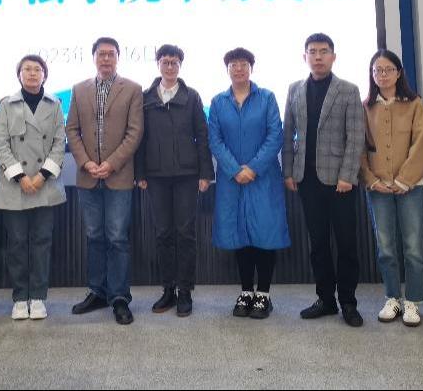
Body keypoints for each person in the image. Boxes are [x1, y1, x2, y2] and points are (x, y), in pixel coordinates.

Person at [282, 33, 366, 327]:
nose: (318, 57)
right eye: (312, 51)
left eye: (323, 51)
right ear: (304, 56)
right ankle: (326, 299)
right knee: (317, 243)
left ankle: (348, 302)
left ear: (333, 56)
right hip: (307, 179)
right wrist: (288, 171)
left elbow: (355, 137)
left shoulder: (348, 90)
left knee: (346, 244)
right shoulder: (295, 89)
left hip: (340, 182)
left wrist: (347, 176)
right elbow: (288, 133)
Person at [66, 37, 144, 325]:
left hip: (118, 175)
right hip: (88, 176)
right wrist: (86, 162)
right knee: (94, 236)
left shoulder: (132, 89)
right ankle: (97, 291)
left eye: (111, 54)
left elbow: (135, 132)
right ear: (94, 57)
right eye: (101, 54)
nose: (106, 59)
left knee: (117, 238)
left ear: (118, 57)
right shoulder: (79, 89)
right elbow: (71, 129)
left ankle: (119, 296)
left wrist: (111, 163)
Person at [208, 47, 290, 320]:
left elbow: (275, 135)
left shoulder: (267, 98)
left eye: (244, 64)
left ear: (251, 68)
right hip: (232, 181)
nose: (239, 68)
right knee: (239, 234)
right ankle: (246, 291)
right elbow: (215, 140)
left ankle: (263, 293)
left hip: (263, 178)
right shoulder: (218, 102)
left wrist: (253, 168)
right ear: (227, 69)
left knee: (265, 234)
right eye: (234, 64)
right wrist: (235, 170)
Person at [135, 44, 213, 317]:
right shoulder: (145, 97)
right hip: (156, 176)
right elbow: (139, 137)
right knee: (163, 233)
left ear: (180, 66)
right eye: (165, 62)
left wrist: (205, 173)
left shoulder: (192, 96)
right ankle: (168, 289)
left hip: (186, 175)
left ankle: (185, 291)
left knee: (185, 233)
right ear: (158, 64)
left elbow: (202, 135)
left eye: (174, 63)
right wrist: (139, 173)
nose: (170, 67)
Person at [0, 54, 67, 321]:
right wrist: (20, 177)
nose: (33, 73)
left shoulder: (55, 104)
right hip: (15, 186)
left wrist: (42, 176)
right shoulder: (6, 105)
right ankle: (19, 298)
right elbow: (1, 144)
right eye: (27, 69)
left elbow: (59, 142)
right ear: (19, 75)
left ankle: (38, 297)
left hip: (45, 185)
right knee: (16, 244)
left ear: (44, 75)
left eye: (37, 69)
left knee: (41, 243)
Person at [360, 49, 423, 327]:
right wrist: (371, 179)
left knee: (413, 248)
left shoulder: (414, 104)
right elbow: (360, 150)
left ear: (399, 73)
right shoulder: (365, 107)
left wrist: (404, 180)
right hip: (378, 188)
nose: (383, 75)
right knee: (386, 248)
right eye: (377, 70)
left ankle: (413, 300)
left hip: (411, 188)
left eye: (388, 69)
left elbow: (421, 144)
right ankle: (392, 297)